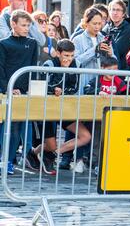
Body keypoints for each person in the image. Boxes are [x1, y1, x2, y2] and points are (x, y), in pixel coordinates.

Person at [25, 39, 91, 175]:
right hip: (46, 109)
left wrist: (62, 88)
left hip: (64, 108)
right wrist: (56, 86)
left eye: (72, 55)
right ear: (58, 53)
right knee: (50, 144)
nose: (69, 59)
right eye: (66, 55)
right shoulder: (49, 64)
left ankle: (52, 155)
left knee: (85, 136)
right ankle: (33, 153)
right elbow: (42, 86)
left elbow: (74, 88)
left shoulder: (77, 64)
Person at [0, 10, 38, 175]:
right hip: (5, 91)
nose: (26, 28)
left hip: (23, 93)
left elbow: (33, 67)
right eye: (23, 25)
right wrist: (7, 88)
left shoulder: (32, 43)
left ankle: (8, 161)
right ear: (13, 24)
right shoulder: (3, 43)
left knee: (17, 127)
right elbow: (0, 68)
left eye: (28, 25)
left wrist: (33, 88)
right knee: (5, 127)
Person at [73, 7, 115, 90]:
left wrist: (111, 55)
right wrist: (94, 50)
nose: (97, 27)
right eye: (94, 23)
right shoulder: (77, 39)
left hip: (102, 84)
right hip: (85, 82)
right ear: (86, 23)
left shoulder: (103, 38)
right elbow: (75, 62)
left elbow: (113, 63)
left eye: (99, 23)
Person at [103, 0, 130, 70]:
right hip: (107, 68)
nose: (115, 13)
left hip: (121, 69)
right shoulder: (107, 27)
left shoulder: (128, 29)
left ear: (123, 14)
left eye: (118, 10)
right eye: (113, 9)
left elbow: (117, 50)